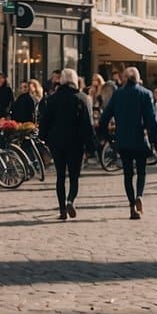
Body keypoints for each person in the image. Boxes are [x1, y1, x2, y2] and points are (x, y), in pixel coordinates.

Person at [98, 66, 157, 220]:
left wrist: (108, 138)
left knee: (127, 174)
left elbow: (104, 119)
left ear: (125, 78)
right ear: (138, 78)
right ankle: (139, 195)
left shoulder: (117, 95)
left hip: (123, 140)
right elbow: (152, 121)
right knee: (141, 171)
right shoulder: (145, 94)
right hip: (140, 138)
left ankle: (132, 204)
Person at [37, 68, 98, 220]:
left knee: (60, 176)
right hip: (75, 143)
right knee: (74, 176)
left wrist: (43, 138)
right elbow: (87, 125)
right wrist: (91, 146)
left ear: (61, 81)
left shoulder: (52, 99)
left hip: (57, 142)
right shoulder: (82, 98)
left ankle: (62, 210)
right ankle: (70, 199)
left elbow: (45, 121)